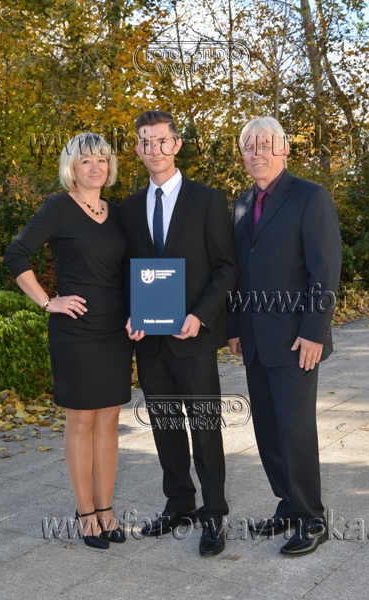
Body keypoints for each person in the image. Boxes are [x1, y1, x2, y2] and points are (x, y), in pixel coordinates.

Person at [4, 132, 132, 549]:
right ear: (71, 168)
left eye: (102, 160)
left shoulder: (117, 213)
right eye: (86, 161)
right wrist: (48, 302)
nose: (95, 167)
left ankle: (107, 510)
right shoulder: (58, 207)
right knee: (82, 421)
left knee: (109, 419)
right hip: (75, 332)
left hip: (115, 330)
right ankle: (86, 513)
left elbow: (129, 270)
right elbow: (16, 253)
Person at [119, 110, 239, 557]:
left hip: (194, 337)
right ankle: (179, 503)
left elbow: (226, 268)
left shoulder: (207, 200)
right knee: (166, 425)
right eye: (146, 142)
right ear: (137, 149)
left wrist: (201, 316)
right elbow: (126, 272)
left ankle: (214, 513)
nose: (154, 149)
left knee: (204, 427)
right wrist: (131, 314)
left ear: (177, 145)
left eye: (162, 141)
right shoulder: (129, 208)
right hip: (149, 340)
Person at [227, 116, 342, 556]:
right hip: (255, 340)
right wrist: (235, 328)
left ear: (284, 149)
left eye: (265, 144)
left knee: (295, 431)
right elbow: (239, 272)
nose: (257, 152)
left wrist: (314, 332)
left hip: (297, 341)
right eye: (249, 146)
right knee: (269, 431)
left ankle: (312, 518)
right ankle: (288, 505)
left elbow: (325, 269)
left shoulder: (310, 197)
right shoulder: (241, 205)